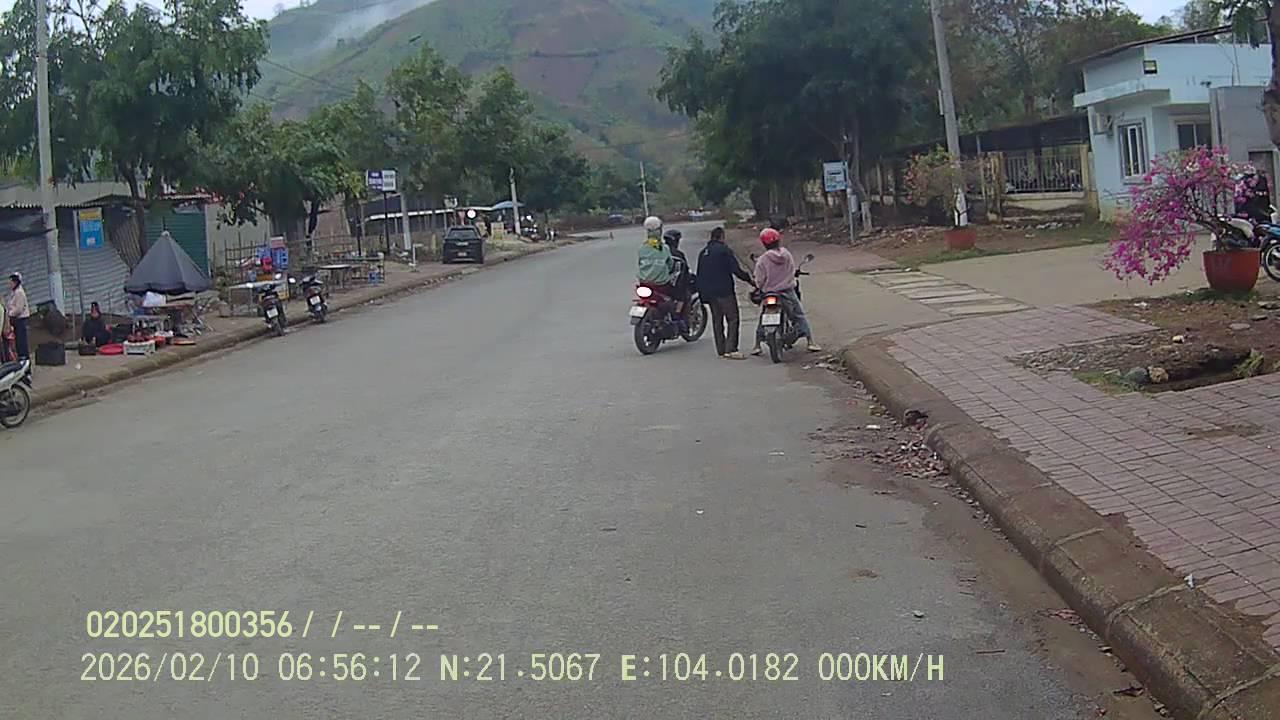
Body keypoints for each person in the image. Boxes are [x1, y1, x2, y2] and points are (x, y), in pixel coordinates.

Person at [751, 228, 820, 354]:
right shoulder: (786, 255)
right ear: (778, 240)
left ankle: (757, 345)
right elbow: (791, 271)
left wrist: (758, 287)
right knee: (799, 315)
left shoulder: (762, 259)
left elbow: (759, 279)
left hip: (769, 293)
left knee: (764, 317)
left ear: (764, 243)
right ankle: (810, 342)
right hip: (787, 291)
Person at [696, 226, 754, 359]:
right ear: (721, 237)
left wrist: (702, 294)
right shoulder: (724, 250)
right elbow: (735, 270)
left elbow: (700, 274)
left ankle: (721, 349)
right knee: (732, 318)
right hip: (724, 291)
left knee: (717, 320)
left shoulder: (703, 253)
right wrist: (749, 280)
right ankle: (731, 349)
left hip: (709, 293)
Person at [663, 229, 693, 314]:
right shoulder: (678, 255)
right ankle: (677, 313)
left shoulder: (658, 252)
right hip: (670, 285)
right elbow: (685, 271)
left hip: (655, 283)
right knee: (683, 295)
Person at [6, 272, 30, 360]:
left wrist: (9, 314)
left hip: (21, 320)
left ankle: (24, 359)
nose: (9, 284)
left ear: (15, 282)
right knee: (18, 341)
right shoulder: (14, 292)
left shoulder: (19, 293)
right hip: (16, 320)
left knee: (21, 341)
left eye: (11, 282)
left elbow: (18, 309)